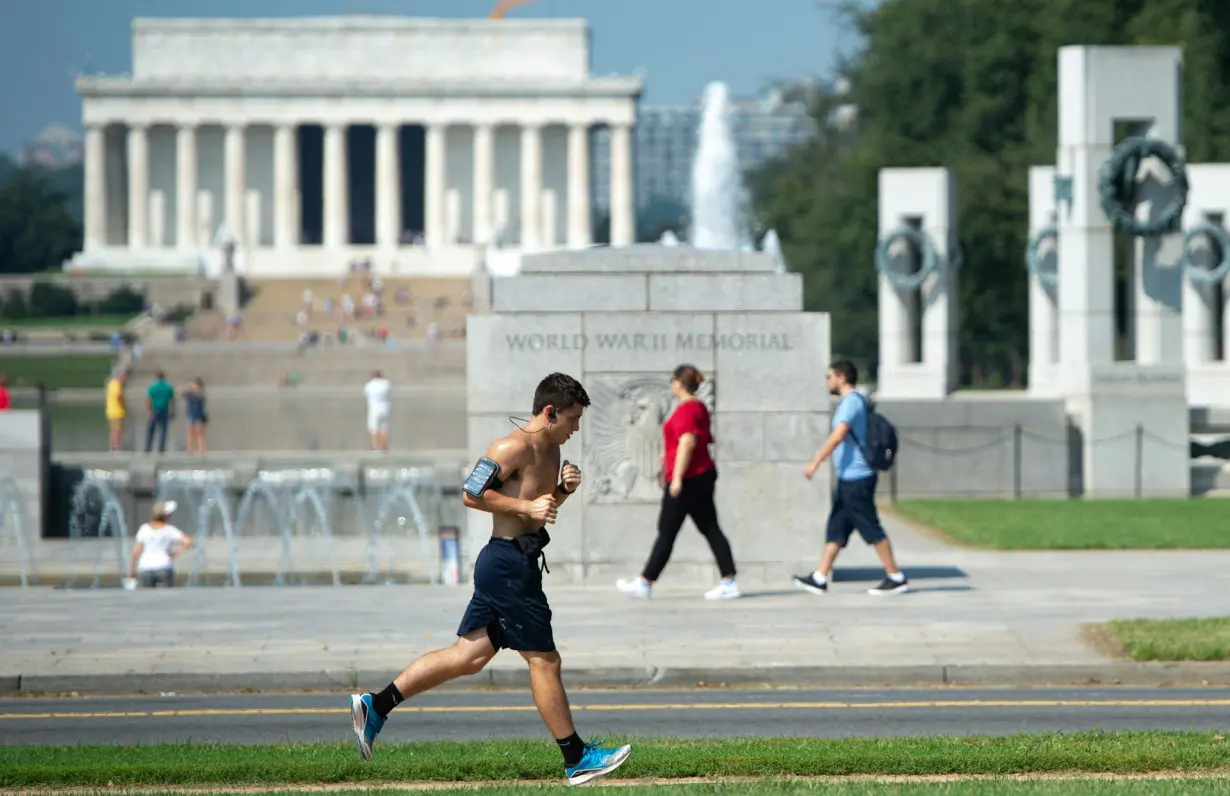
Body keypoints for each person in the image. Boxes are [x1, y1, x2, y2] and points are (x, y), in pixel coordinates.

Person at [348, 373, 632, 786]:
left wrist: (562, 492)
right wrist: (529, 506)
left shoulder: (552, 451)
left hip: (516, 562)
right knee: (544, 660)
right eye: (572, 418)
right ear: (549, 412)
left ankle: (377, 705)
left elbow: (538, 508)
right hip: (506, 565)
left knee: (468, 656)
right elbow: (471, 492)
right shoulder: (510, 446)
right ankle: (577, 758)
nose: (576, 427)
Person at [616, 364, 740, 601]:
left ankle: (645, 582)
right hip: (700, 476)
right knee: (709, 528)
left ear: (679, 383)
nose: (671, 384)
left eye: (673, 380)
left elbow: (688, 442)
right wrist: (669, 459)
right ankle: (728, 580)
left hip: (689, 480)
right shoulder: (697, 407)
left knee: (668, 532)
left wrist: (678, 478)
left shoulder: (687, 409)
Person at [794, 360, 909, 597]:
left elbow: (838, 435)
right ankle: (820, 577)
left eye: (829, 377)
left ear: (841, 378)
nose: (827, 381)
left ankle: (895, 576)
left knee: (871, 527)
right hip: (849, 478)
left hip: (857, 477)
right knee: (837, 527)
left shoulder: (851, 403)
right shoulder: (855, 401)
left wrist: (816, 462)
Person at [128, 501, 194, 588]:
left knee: (146, 598)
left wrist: (132, 571)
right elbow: (188, 541)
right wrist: (176, 552)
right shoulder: (169, 530)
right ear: (165, 516)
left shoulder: (144, 529)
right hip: (164, 566)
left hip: (145, 567)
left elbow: (135, 551)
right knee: (165, 598)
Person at [145, 371, 175, 454]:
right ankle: (161, 448)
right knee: (163, 430)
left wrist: (148, 410)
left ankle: (148, 447)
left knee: (151, 430)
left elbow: (148, 399)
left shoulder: (153, 387)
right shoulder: (168, 387)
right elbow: (172, 400)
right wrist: (173, 411)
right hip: (164, 409)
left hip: (154, 410)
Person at [363, 370, 391, 451]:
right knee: (384, 428)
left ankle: (376, 446)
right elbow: (389, 393)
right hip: (385, 408)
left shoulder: (369, 385)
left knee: (374, 428)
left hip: (374, 409)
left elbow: (366, 395)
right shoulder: (386, 384)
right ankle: (384, 446)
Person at [183, 378, 208, 456]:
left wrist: (196, 390)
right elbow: (181, 392)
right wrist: (188, 387)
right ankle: (190, 450)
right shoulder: (189, 394)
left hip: (199, 416)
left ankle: (202, 451)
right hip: (190, 415)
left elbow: (201, 397)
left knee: (200, 434)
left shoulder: (200, 394)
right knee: (190, 433)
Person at [106, 370, 127, 452]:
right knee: (117, 430)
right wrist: (123, 405)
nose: (124, 379)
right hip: (117, 411)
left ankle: (112, 446)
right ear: (119, 376)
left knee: (112, 430)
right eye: (123, 377)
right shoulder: (117, 384)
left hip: (110, 411)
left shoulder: (111, 383)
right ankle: (116, 447)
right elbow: (118, 396)